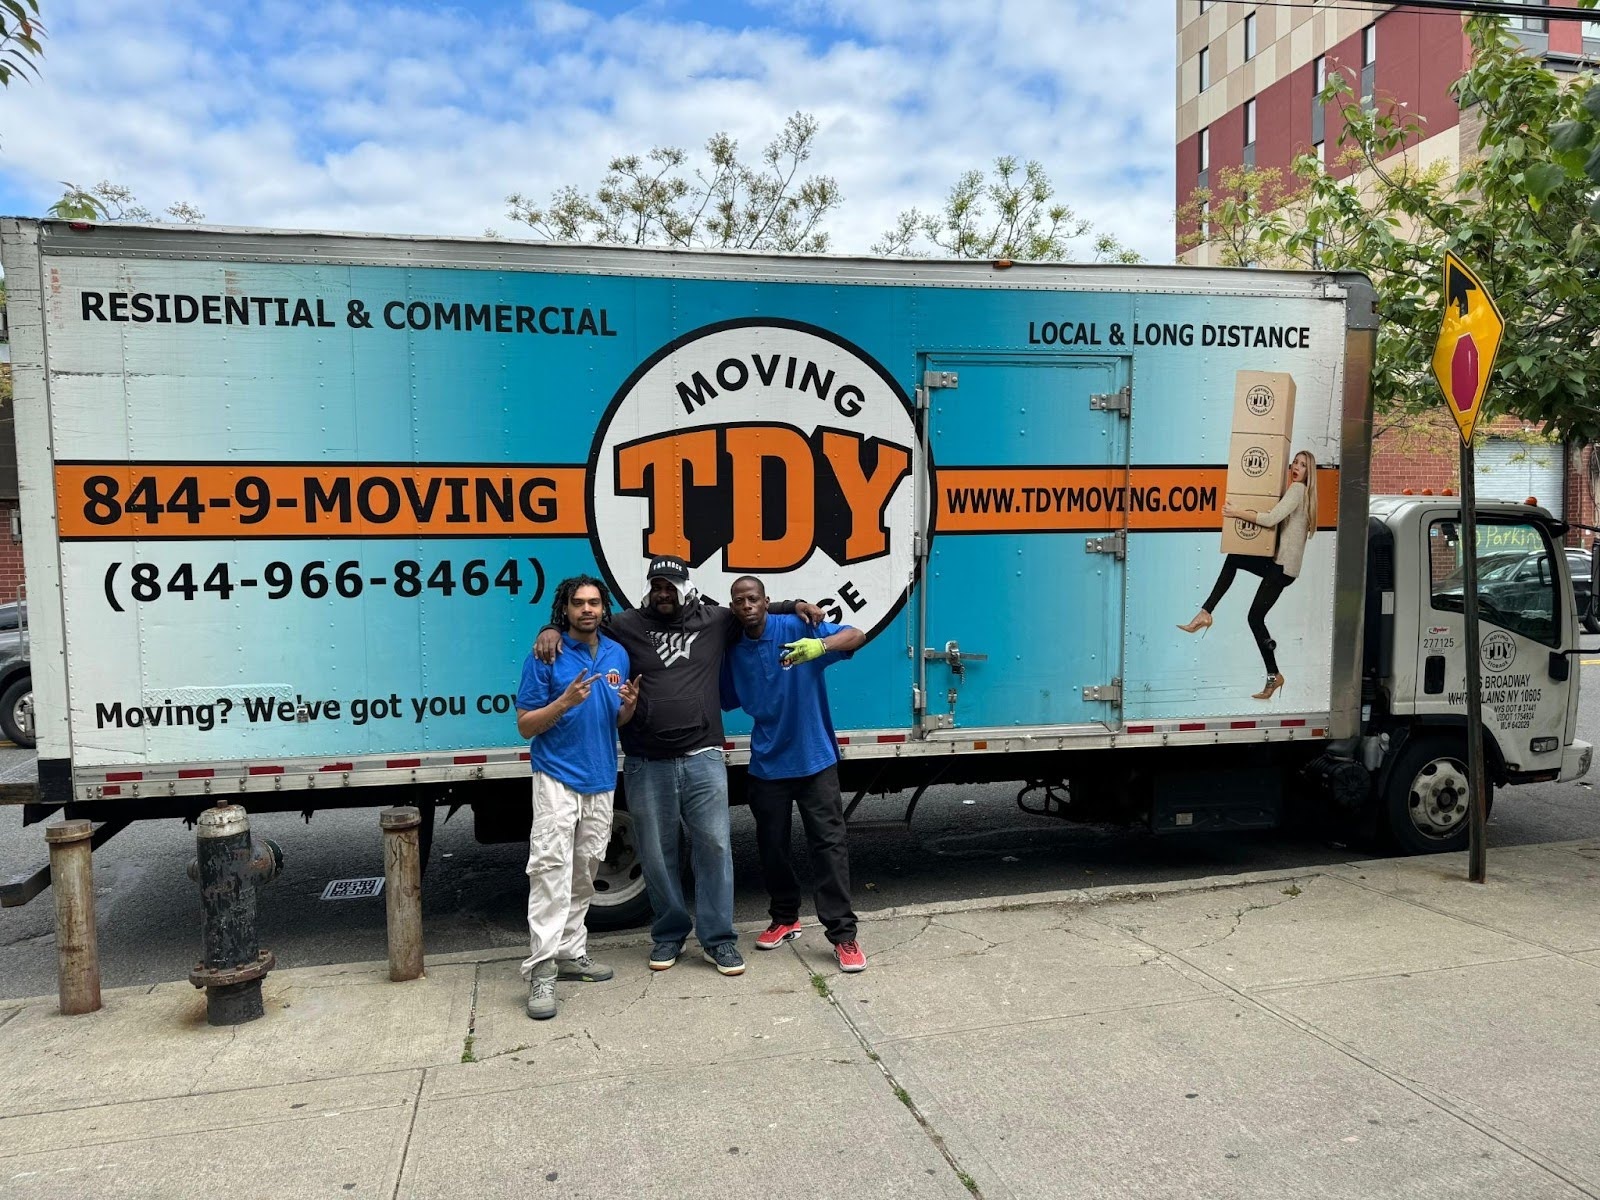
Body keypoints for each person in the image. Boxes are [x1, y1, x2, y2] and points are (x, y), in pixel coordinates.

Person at [534, 556, 821, 978]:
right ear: (649, 589)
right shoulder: (626, 625)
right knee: (656, 854)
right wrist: (550, 628)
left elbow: (754, 607)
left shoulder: (715, 620)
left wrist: (796, 605)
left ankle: (718, 940)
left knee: (715, 848)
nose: (664, 593)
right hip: (647, 760)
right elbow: (584, 624)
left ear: (686, 588)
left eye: (671, 585)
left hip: (703, 756)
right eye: (657, 586)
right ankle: (668, 933)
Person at [723, 575, 869, 972]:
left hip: (814, 759)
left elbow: (856, 635)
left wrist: (821, 645)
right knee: (771, 846)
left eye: (754, 598)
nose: (747, 605)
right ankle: (785, 918)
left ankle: (843, 936)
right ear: (733, 607)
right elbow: (719, 693)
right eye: (740, 601)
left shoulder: (795, 627)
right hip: (768, 763)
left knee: (829, 846)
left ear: (766, 601)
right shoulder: (732, 647)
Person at [515, 575, 639, 1021]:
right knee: (550, 871)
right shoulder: (546, 653)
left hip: (601, 777)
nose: (587, 609)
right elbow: (526, 726)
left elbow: (614, 718)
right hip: (556, 776)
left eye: (594, 602)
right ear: (564, 610)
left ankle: (570, 953)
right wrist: (563, 702)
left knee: (585, 871)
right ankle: (542, 969)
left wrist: (629, 707)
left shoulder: (616, 653)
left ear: (604, 609)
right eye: (579, 603)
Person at [1179, 449, 1318, 701]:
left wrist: (1236, 512)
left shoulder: (1298, 490)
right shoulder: (1302, 493)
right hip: (1281, 567)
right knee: (1235, 560)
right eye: (1295, 463)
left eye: (1303, 465)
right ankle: (1206, 612)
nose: (1296, 468)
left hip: (1281, 569)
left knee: (1255, 617)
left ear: (1310, 472)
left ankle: (1273, 674)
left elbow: (1270, 519)